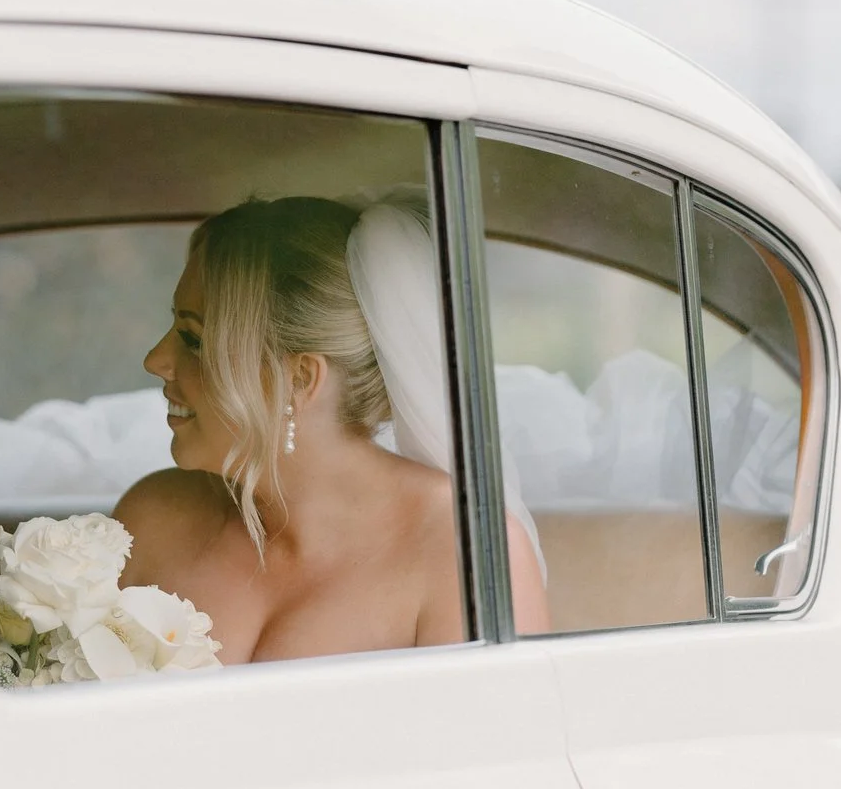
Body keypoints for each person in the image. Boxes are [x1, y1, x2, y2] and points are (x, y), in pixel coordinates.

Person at [114, 195, 548, 664]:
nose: (155, 361)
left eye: (193, 339)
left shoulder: (467, 555)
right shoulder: (150, 518)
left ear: (299, 379)